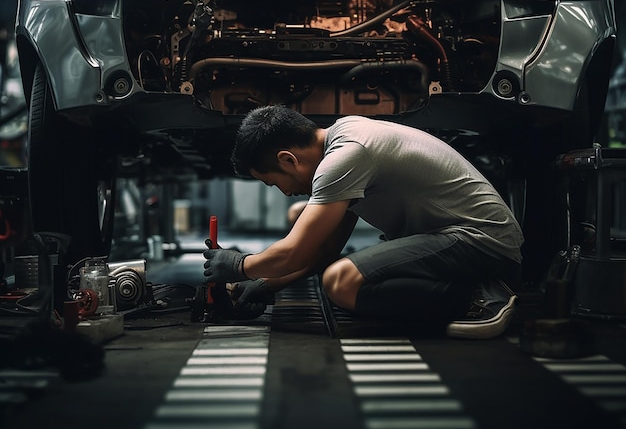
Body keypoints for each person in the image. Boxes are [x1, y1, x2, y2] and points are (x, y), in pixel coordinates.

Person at [204, 105, 524, 339]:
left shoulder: (345, 157)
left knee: (341, 282)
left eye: (275, 183)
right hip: (457, 242)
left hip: (481, 243)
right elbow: (324, 249)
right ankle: (471, 288)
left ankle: (478, 297)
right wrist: (264, 285)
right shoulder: (346, 137)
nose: (286, 192)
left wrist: (239, 265)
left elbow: (295, 251)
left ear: (288, 159)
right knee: (347, 284)